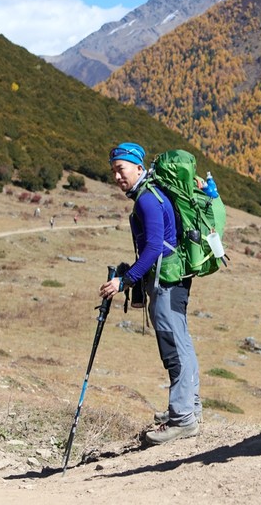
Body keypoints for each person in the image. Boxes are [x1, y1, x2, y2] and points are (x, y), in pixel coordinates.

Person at [98, 142, 202, 445]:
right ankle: (189, 408)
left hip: (166, 282)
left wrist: (125, 281)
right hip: (173, 278)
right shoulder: (151, 194)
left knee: (173, 348)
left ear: (139, 167)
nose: (117, 176)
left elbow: (155, 246)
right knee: (181, 343)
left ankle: (182, 420)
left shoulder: (146, 199)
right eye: (113, 171)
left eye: (121, 169)